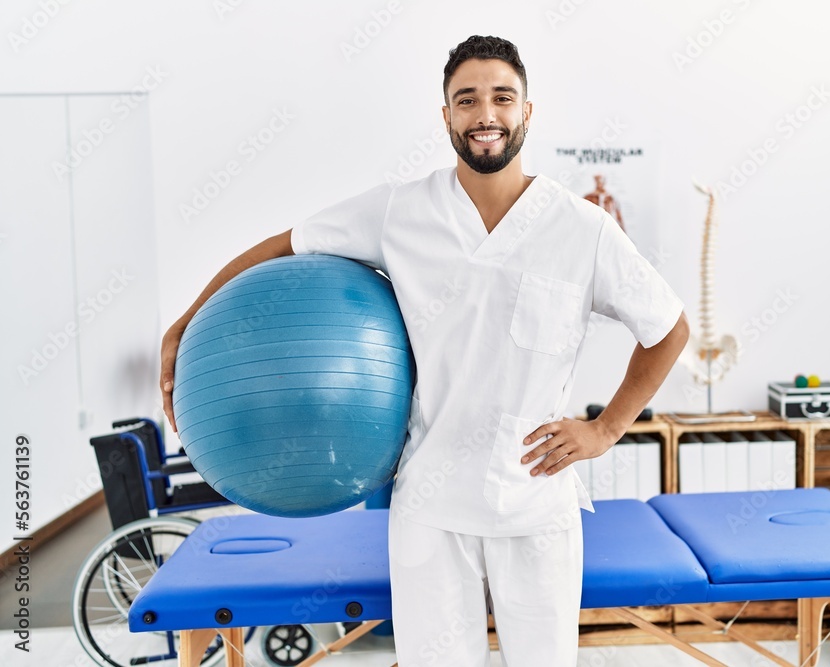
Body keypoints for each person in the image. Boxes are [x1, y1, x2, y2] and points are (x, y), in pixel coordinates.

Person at [160, 35, 689, 667]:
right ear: (446, 116)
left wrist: (606, 430)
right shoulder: (398, 212)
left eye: (502, 97)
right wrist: (185, 322)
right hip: (430, 506)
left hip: (535, 503)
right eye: (466, 100)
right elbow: (285, 245)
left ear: (527, 111)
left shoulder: (583, 230)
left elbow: (667, 329)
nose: (484, 114)